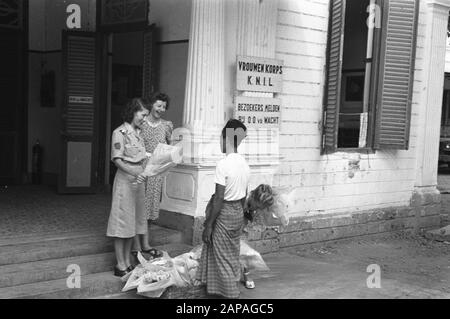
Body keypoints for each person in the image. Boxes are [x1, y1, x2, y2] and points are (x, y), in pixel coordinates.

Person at [197, 119, 250, 299]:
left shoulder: (223, 164)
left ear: (226, 138)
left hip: (224, 213)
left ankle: (232, 295)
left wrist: (209, 225)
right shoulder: (244, 163)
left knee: (222, 260)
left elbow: (219, 198)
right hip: (237, 213)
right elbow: (244, 194)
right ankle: (220, 291)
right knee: (230, 255)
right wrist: (241, 217)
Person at [106, 98, 149, 277]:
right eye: (142, 114)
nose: (144, 119)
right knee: (122, 222)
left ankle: (128, 261)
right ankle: (120, 263)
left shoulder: (139, 134)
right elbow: (117, 159)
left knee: (133, 222)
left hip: (138, 183)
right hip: (125, 182)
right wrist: (133, 171)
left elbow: (142, 156)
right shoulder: (119, 133)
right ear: (133, 112)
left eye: (146, 115)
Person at [132, 93, 173, 259]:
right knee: (138, 208)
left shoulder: (166, 126)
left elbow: (169, 146)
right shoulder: (140, 124)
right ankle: (136, 245)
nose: (161, 109)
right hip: (141, 168)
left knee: (150, 210)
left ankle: (146, 244)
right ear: (151, 106)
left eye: (163, 107)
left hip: (156, 171)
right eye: (158, 106)